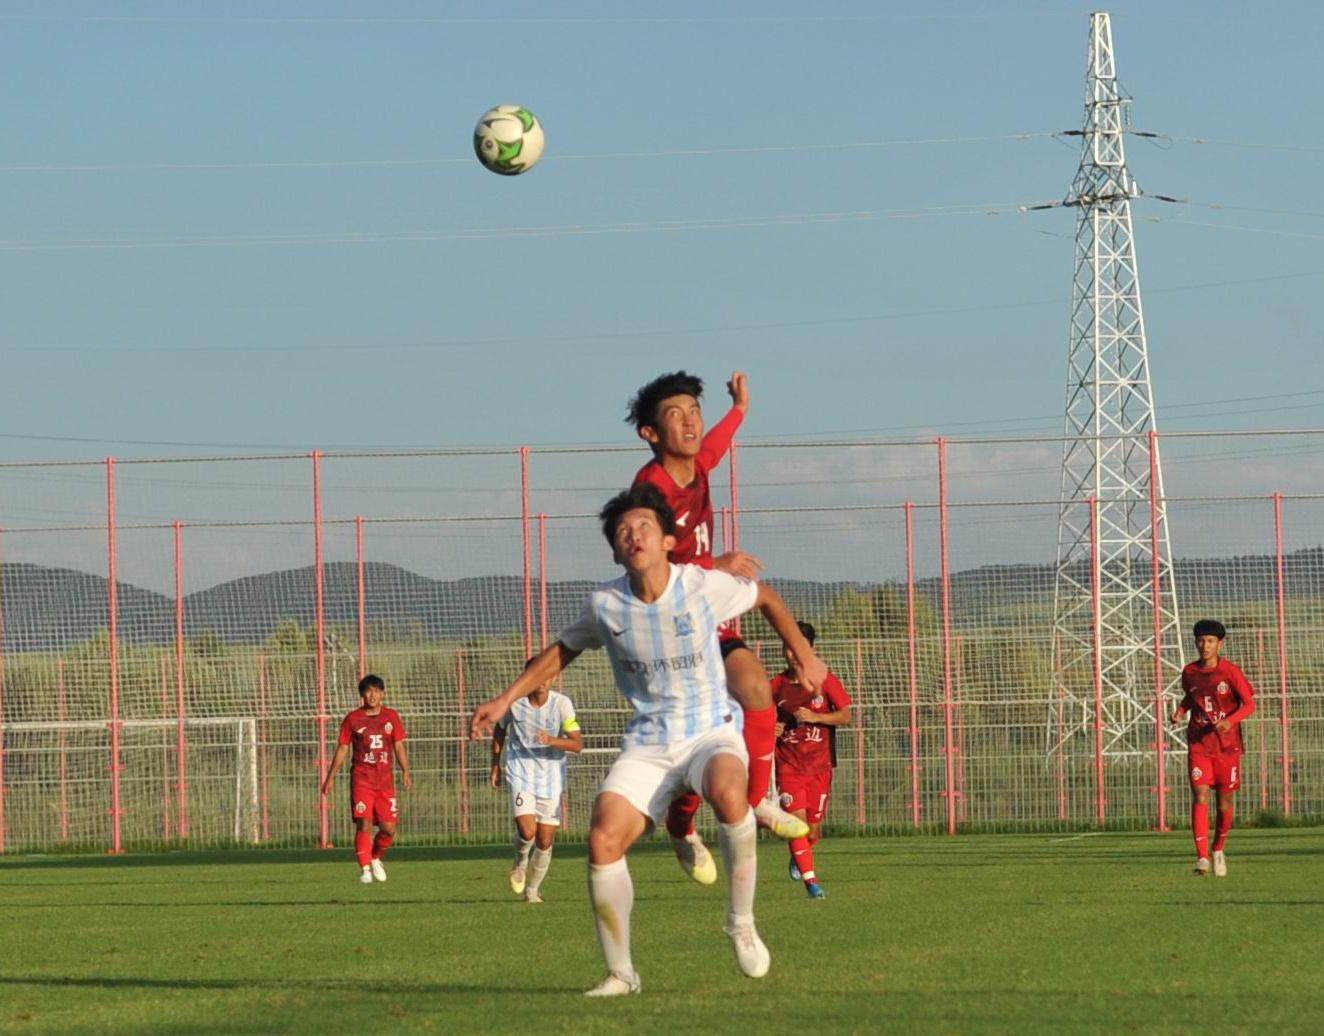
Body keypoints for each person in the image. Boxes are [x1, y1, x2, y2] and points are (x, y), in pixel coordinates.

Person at [469, 482, 827, 997]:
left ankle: (741, 922)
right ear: (616, 550)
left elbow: (765, 597)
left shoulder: (703, 585)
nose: (633, 535)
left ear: (666, 541)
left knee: (730, 794)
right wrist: (505, 701)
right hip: (648, 743)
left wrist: (803, 655)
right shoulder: (606, 605)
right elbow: (561, 651)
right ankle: (621, 974)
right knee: (602, 838)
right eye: (622, 530)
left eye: (643, 526)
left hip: (709, 731)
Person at [627, 369, 809, 884]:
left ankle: (756, 803)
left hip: (707, 608)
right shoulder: (650, 489)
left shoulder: (698, 466)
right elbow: (645, 566)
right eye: (675, 415)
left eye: (694, 413)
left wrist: (740, 410)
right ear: (651, 433)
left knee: (755, 687)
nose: (690, 423)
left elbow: (715, 448)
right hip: (670, 623)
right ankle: (681, 825)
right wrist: (716, 564)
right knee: (697, 740)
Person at [772, 621, 853, 900]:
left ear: (811, 650)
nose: (793, 653)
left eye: (799, 648)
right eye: (788, 647)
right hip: (788, 765)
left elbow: (845, 715)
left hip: (820, 766)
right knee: (797, 823)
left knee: (812, 829)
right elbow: (760, 722)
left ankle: (801, 854)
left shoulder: (824, 680)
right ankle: (812, 882)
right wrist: (773, 728)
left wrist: (817, 717)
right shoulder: (775, 687)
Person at [490, 661, 583, 904]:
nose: (542, 680)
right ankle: (519, 864)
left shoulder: (562, 704)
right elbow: (499, 729)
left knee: (545, 840)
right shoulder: (515, 702)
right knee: (527, 831)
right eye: (536, 675)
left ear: (553, 678)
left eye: (547, 675)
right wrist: (495, 765)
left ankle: (533, 890)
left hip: (551, 779)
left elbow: (577, 744)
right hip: (521, 773)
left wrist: (552, 740)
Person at [1171, 619, 1255, 877]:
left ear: (1220, 643)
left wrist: (1230, 721)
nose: (1204, 646)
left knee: (1224, 802)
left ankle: (1218, 849)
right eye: (1200, 640)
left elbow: (1249, 705)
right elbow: (1192, 695)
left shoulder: (1230, 672)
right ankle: (1202, 858)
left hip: (1227, 749)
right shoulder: (1189, 672)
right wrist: (1180, 711)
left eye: (1209, 641)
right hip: (1199, 744)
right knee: (1200, 796)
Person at [321, 674, 412, 884]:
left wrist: (405, 770)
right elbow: (343, 748)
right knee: (364, 822)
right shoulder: (353, 719)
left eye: (377, 691)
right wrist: (330, 777)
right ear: (362, 694)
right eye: (369, 691)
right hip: (362, 779)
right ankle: (364, 869)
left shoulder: (391, 716)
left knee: (389, 828)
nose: (373, 695)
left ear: (383, 694)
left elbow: (398, 744)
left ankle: (376, 858)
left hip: (385, 781)